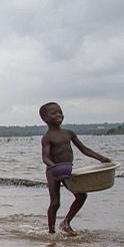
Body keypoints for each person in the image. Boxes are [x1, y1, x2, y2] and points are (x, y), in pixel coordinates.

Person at [39, 101, 109, 236]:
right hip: (53, 173)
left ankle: (66, 222)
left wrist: (101, 158)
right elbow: (45, 158)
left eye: (60, 112)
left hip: (66, 170)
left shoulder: (69, 133)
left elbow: (84, 149)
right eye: (54, 113)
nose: (59, 115)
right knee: (55, 203)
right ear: (45, 119)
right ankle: (51, 231)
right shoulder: (47, 137)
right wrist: (54, 166)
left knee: (81, 196)